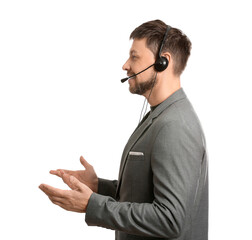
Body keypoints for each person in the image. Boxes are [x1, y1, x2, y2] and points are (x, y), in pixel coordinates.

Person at [39, 19, 208, 240]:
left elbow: (170, 219)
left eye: (134, 56)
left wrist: (93, 205)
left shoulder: (174, 126)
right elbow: (146, 193)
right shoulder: (161, 116)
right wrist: (99, 186)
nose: (125, 65)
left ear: (162, 62)